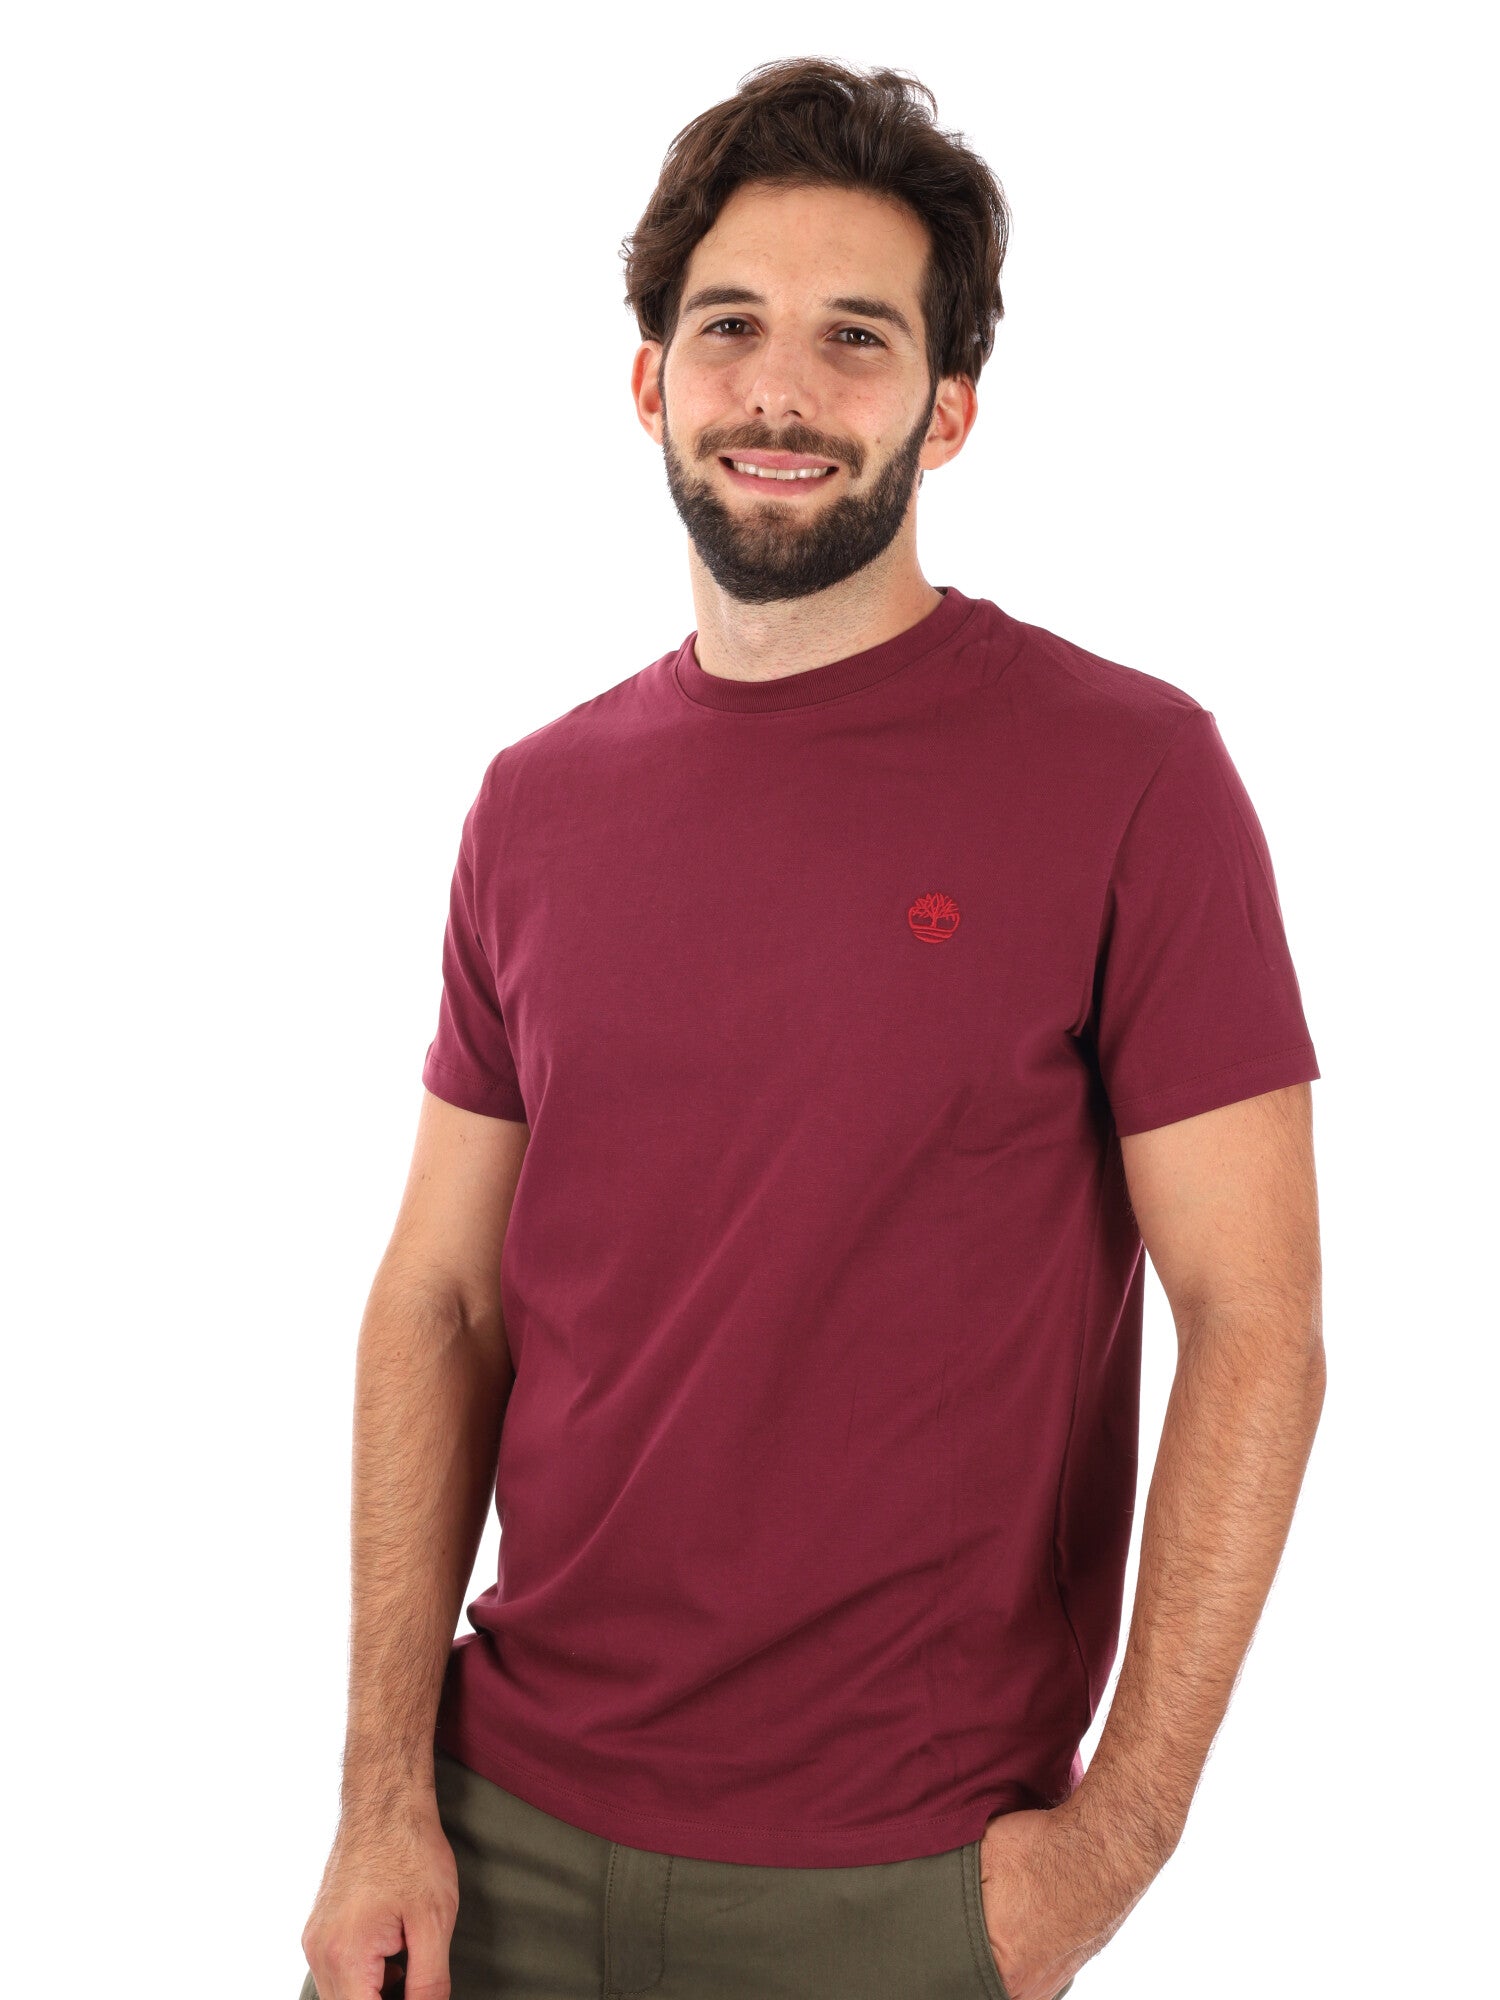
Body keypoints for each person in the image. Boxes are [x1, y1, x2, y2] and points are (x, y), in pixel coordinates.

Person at [297, 55, 1325, 2000]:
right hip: (487, 1841)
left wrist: (1101, 1859)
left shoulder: (1131, 776)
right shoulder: (533, 801)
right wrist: (378, 1798)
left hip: (898, 1886)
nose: (780, 391)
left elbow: (1257, 1320)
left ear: (948, 408)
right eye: (730, 329)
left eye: (856, 338)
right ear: (649, 382)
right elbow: (440, 1300)